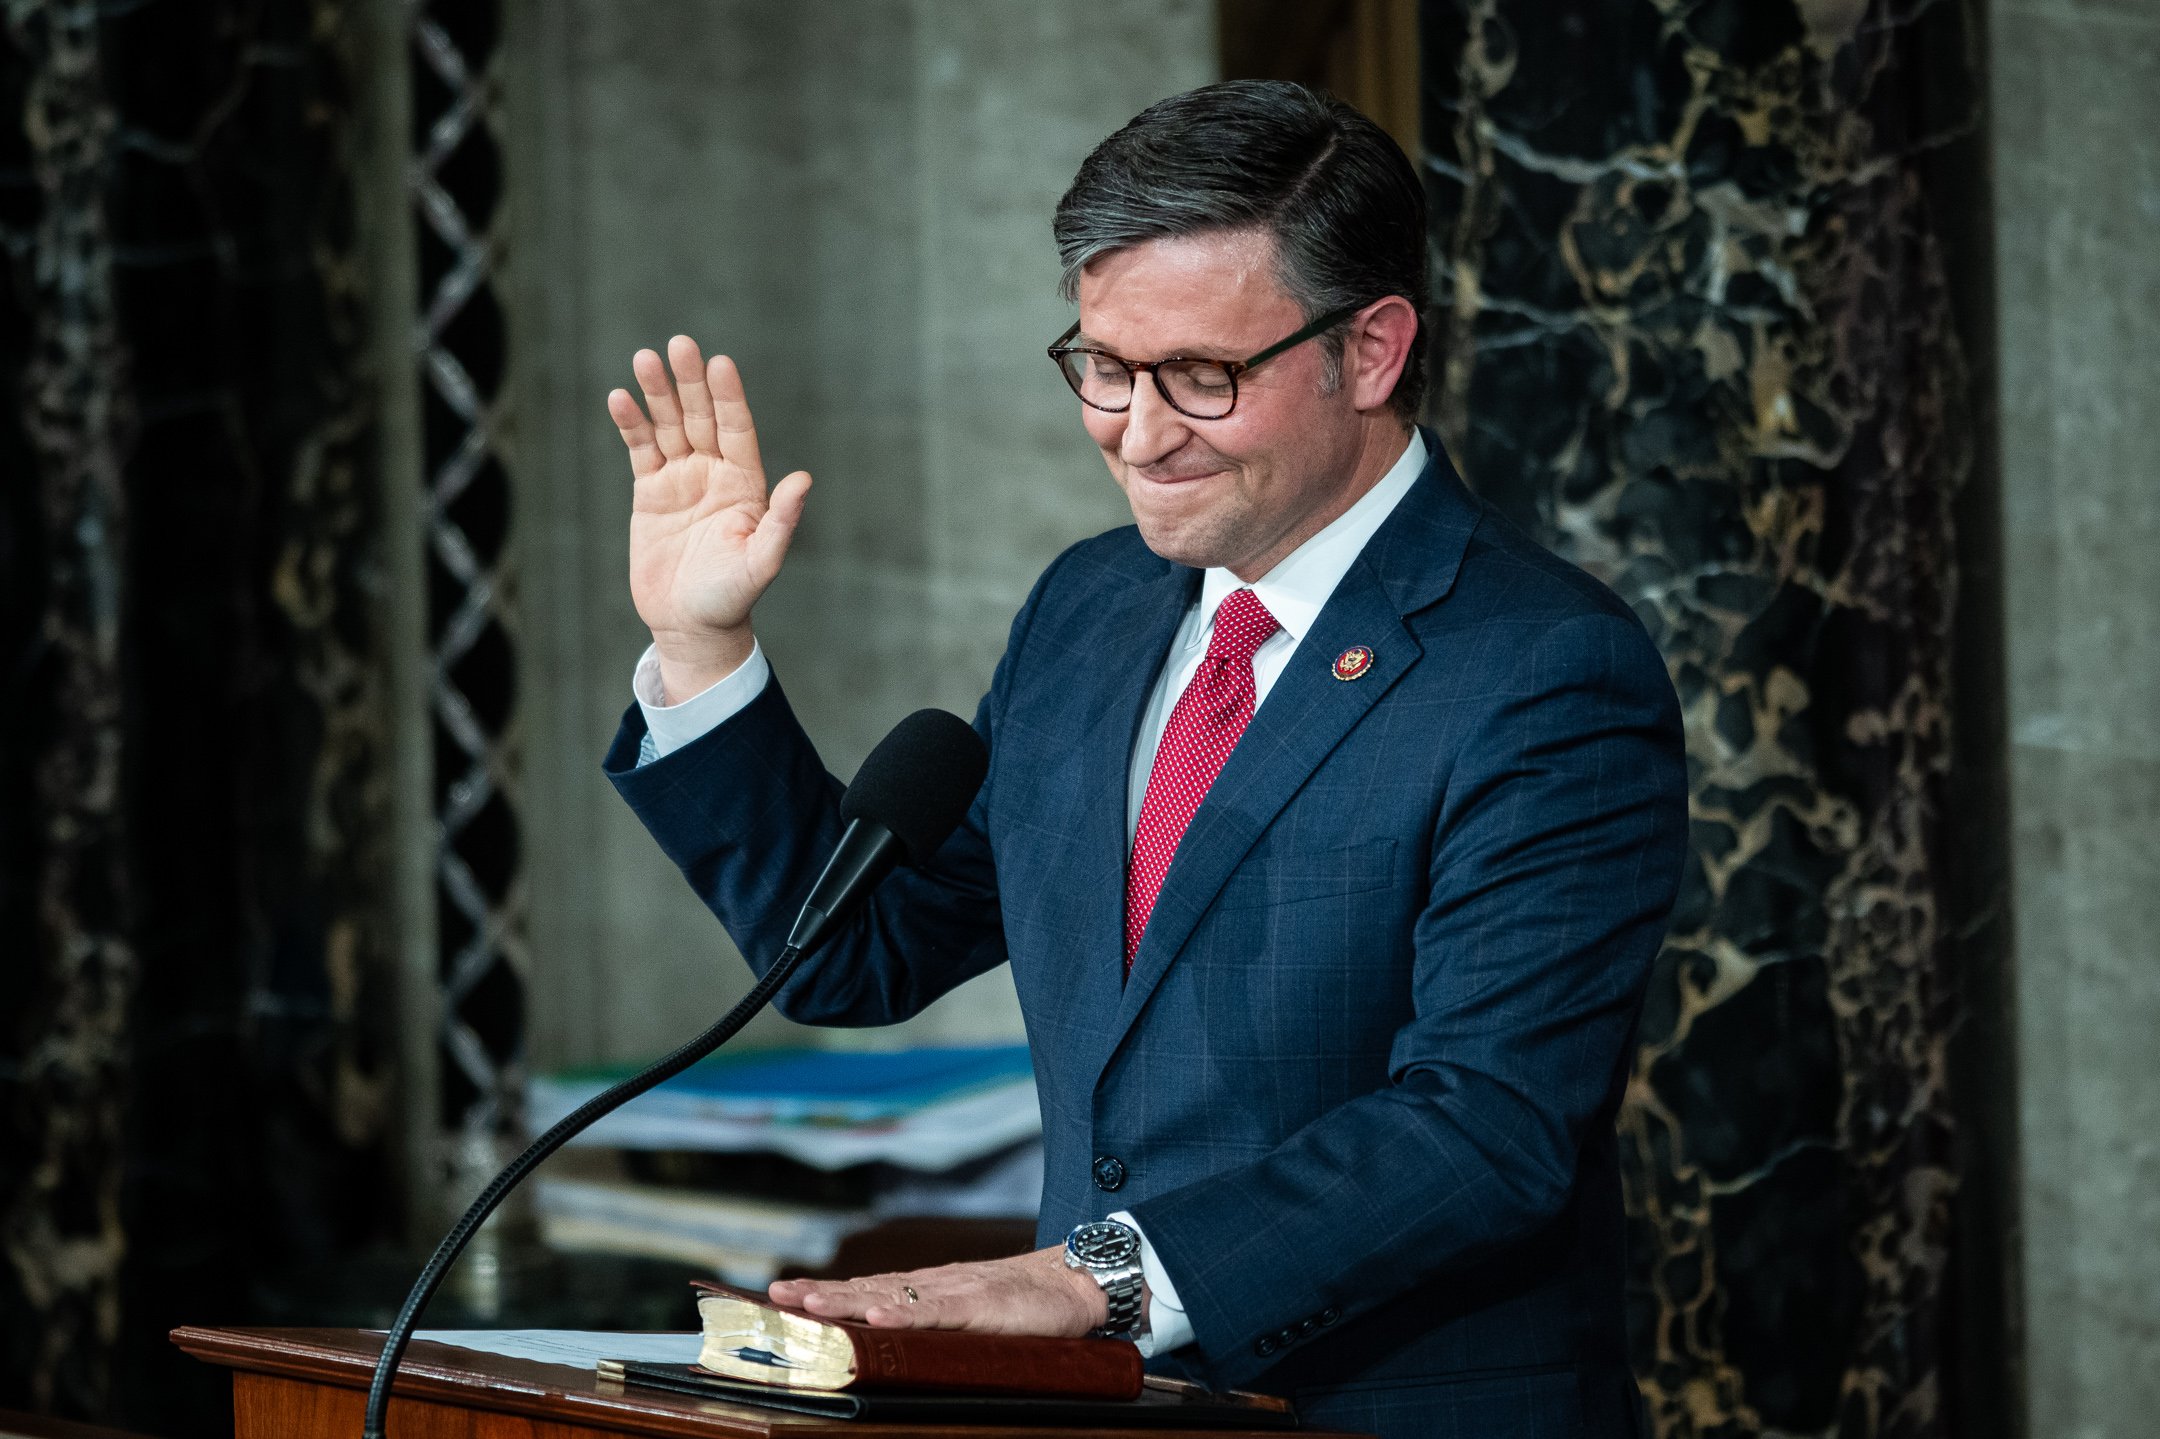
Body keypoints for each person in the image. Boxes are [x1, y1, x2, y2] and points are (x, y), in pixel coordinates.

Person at [601, 80, 1687, 1439]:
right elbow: (853, 948)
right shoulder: (1089, 608)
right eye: (1105, 369)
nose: (1139, 431)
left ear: (1373, 349)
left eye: (1203, 377)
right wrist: (702, 646)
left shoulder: (1540, 666)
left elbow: (1484, 1128)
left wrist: (1088, 1281)